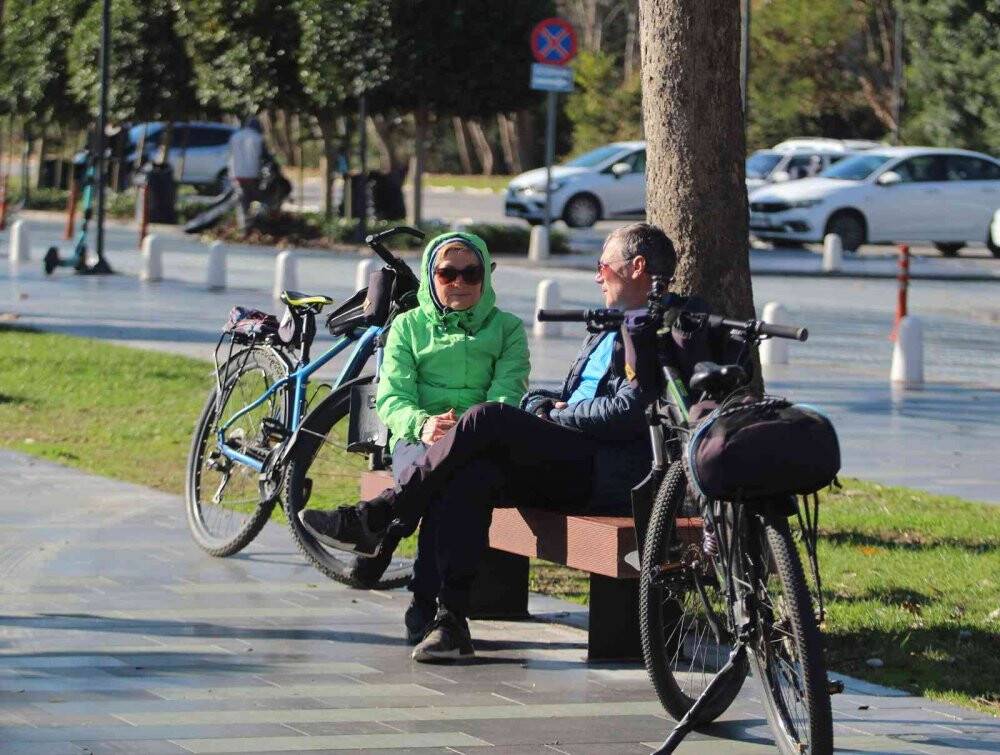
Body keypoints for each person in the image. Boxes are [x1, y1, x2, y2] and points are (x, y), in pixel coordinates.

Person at [300, 222, 677, 662]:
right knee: (470, 473)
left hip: (602, 468)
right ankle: (447, 618)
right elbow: (553, 395)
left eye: (602, 267)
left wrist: (555, 415)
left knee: (485, 419)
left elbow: (625, 412)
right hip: (533, 449)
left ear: (636, 268)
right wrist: (539, 408)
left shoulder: (655, 329)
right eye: (447, 274)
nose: (596, 277)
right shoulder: (606, 326)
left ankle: (383, 515)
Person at [335, 231, 530, 627]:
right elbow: (392, 398)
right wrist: (423, 424)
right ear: (430, 277)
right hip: (418, 438)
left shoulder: (508, 329)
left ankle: (384, 529)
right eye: (447, 273)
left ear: (486, 278)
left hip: (480, 442)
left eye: (471, 273)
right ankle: (445, 612)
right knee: (451, 485)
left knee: (457, 482)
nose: (459, 283)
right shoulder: (408, 327)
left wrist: (465, 429)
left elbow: (507, 396)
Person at [228, 116, 265, 231]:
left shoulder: (235, 137)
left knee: (242, 201)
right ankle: (257, 222)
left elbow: (231, 155)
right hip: (253, 174)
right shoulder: (258, 138)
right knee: (259, 199)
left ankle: (243, 226)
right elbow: (264, 156)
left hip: (237, 174)